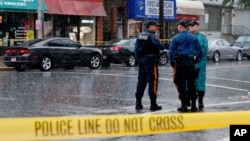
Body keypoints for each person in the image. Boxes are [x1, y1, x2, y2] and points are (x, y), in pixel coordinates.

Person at [168, 20, 202, 112]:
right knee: (192, 83)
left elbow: (171, 51)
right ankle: (194, 105)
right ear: (186, 27)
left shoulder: (176, 38)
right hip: (190, 62)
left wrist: (172, 62)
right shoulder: (193, 38)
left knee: (181, 83)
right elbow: (199, 51)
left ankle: (184, 105)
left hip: (180, 62)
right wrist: (196, 60)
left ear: (180, 27)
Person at [134, 21, 165, 111]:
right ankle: (153, 104)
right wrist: (162, 44)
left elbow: (136, 49)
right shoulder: (152, 36)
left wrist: (139, 60)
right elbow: (160, 46)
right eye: (155, 26)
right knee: (153, 82)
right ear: (150, 26)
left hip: (142, 61)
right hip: (151, 61)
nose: (157, 28)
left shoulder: (140, 35)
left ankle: (138, 103)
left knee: (141, 81)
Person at [189, 20, 208, 109]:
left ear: (197, 26)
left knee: (200, 81)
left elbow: (204, 49)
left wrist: (197, 56)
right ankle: (191, 100)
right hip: (190, 62)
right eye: (190, 25)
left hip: (200, 62)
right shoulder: (187, 36)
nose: (191, 27)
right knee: (189, 82)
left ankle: (200, 100)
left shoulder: (202, 38)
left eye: (193, 25)